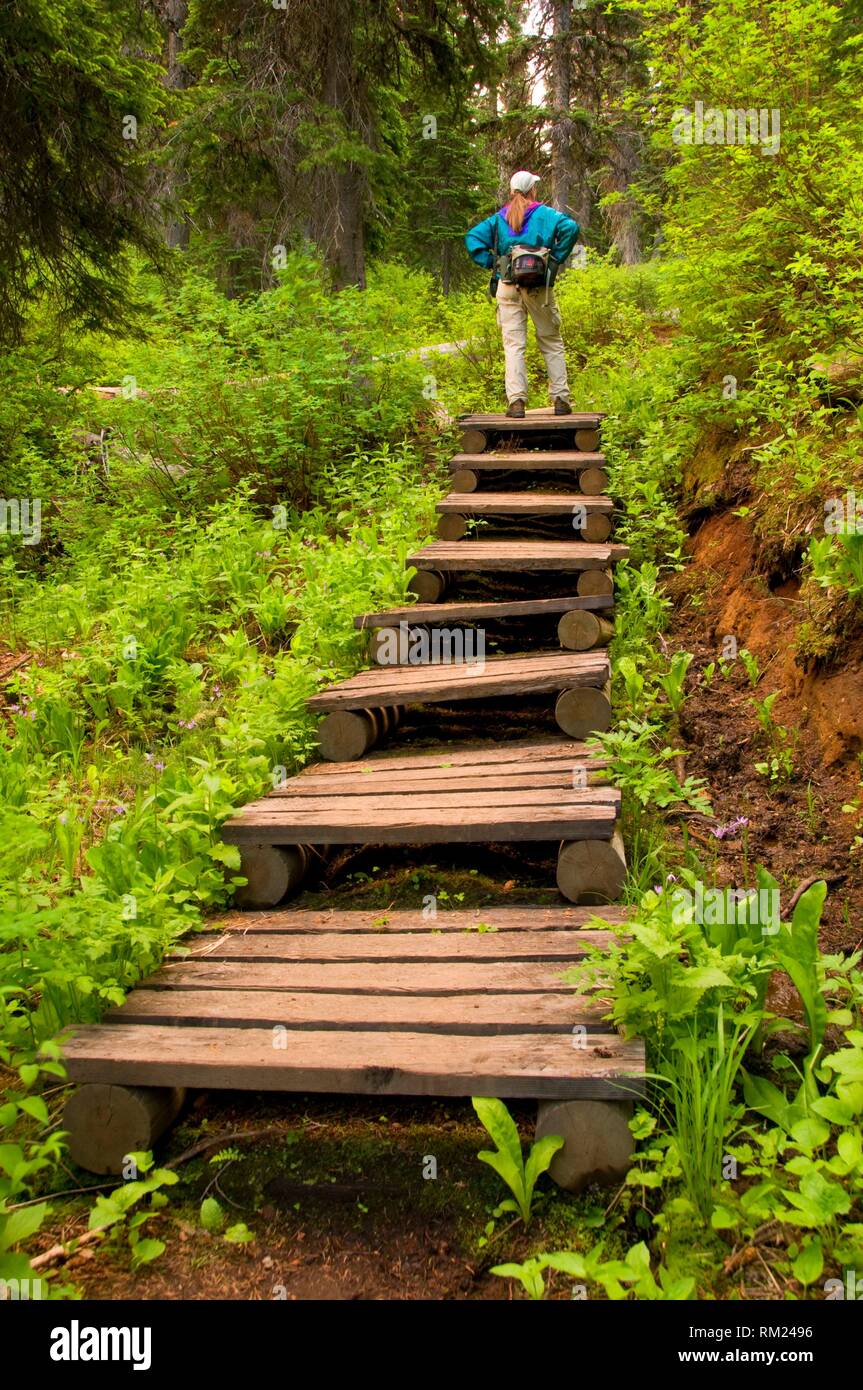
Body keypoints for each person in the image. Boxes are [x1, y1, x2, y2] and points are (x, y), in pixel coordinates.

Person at [465, 171, 580, 418]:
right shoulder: (547, 215)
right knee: (550, 341)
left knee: (514, 346)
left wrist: (493, 263)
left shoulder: (499, 218)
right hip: (540, 287)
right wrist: (555, 258)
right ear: (532, 191)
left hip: (507, 285)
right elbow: (571, 227)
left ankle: (516, 402)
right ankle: (560, 398)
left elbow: (472, 238)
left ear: (513, 191)